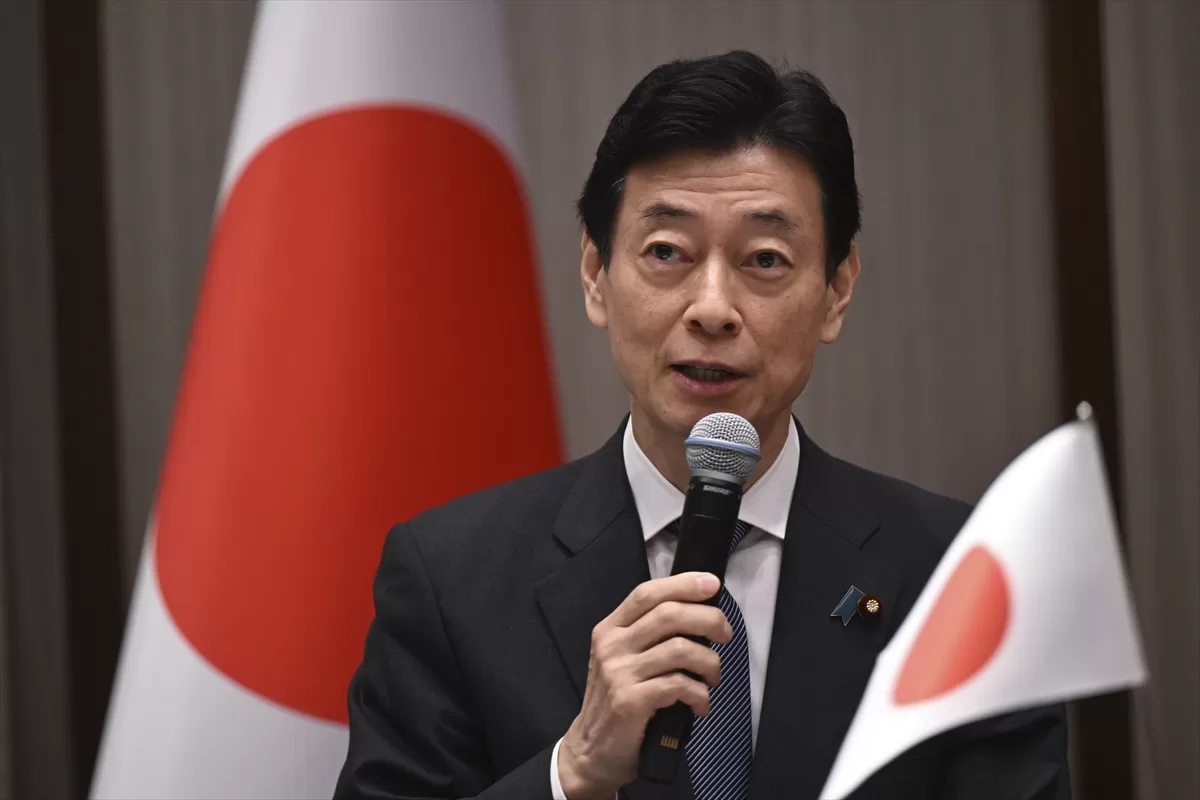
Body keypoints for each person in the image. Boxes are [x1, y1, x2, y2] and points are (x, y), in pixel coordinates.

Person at [334, 50, 1069, 800]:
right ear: (595, 274)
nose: (712, 308)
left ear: (837, 290)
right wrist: (572, 770)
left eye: (765, 259)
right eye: (667, 252)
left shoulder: (960, 577)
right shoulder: (451, 580)